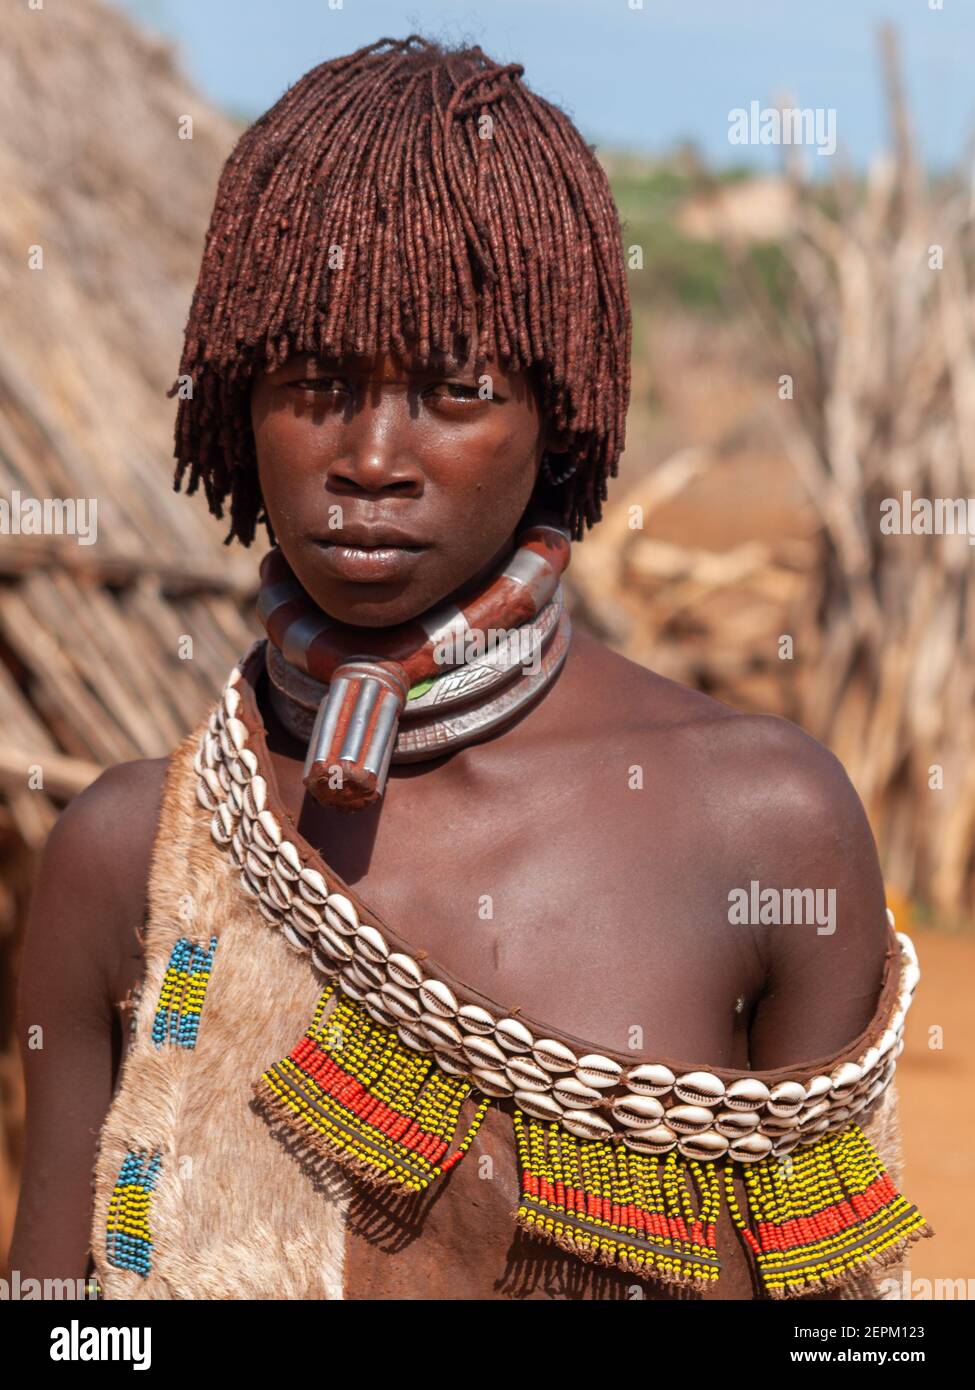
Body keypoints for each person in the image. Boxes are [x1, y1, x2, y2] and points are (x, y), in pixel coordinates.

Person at [10, 35, 928, 1301]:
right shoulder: (133, 858)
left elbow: (846, 1326)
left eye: (455, 389)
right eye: (314, 384)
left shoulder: (763, 828)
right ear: (236, 403)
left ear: (562, 416)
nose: (372, 455)